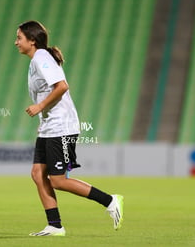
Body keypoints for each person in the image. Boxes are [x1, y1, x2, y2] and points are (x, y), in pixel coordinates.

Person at [14, 20, 124, 236]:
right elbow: (47, 91)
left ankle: (110, 200)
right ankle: (55, 226)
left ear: (32, 40)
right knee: (38, 174)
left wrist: (39, 107)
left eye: (19, 38)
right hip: (50, 127)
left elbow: (62, 86)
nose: (16, 42)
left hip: (62, 128)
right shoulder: (36, 60)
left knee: (58, 181)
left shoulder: (42, 58)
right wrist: (43, 121)